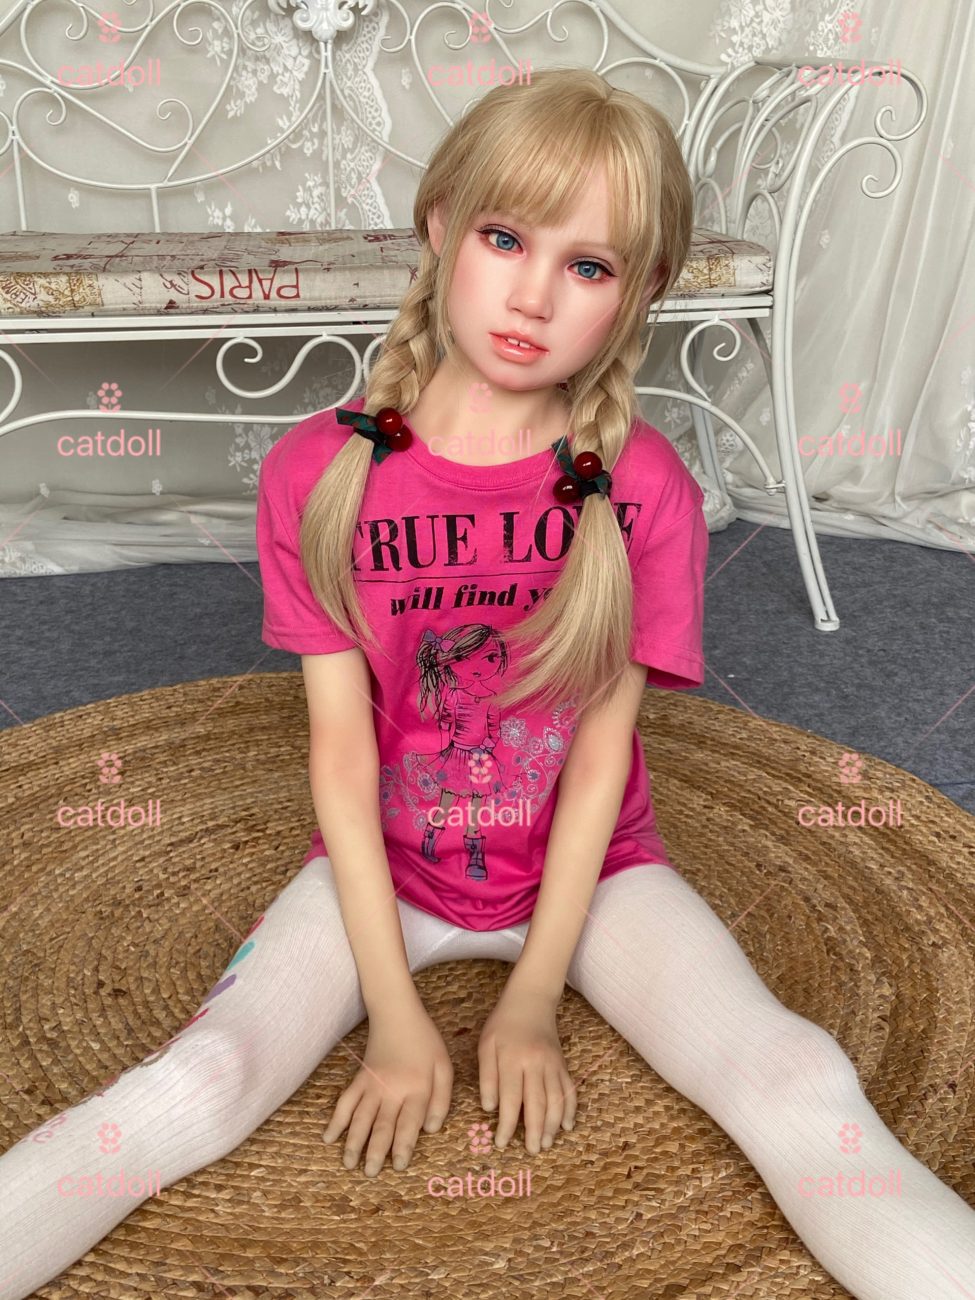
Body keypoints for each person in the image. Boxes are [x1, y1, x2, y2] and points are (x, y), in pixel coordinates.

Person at [1, 68, 973, 1300]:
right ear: (440, 226)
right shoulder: (317, 473)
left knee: (800, 1076)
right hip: (383, 872)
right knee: (196, 1083)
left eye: (589, 265)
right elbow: (342, 760)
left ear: (642, 292)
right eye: (506, 238)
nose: (533, 296)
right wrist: (396, 1011)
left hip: (599, 877)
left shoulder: (646, 487)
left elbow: (602, 758)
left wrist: (533, 994)